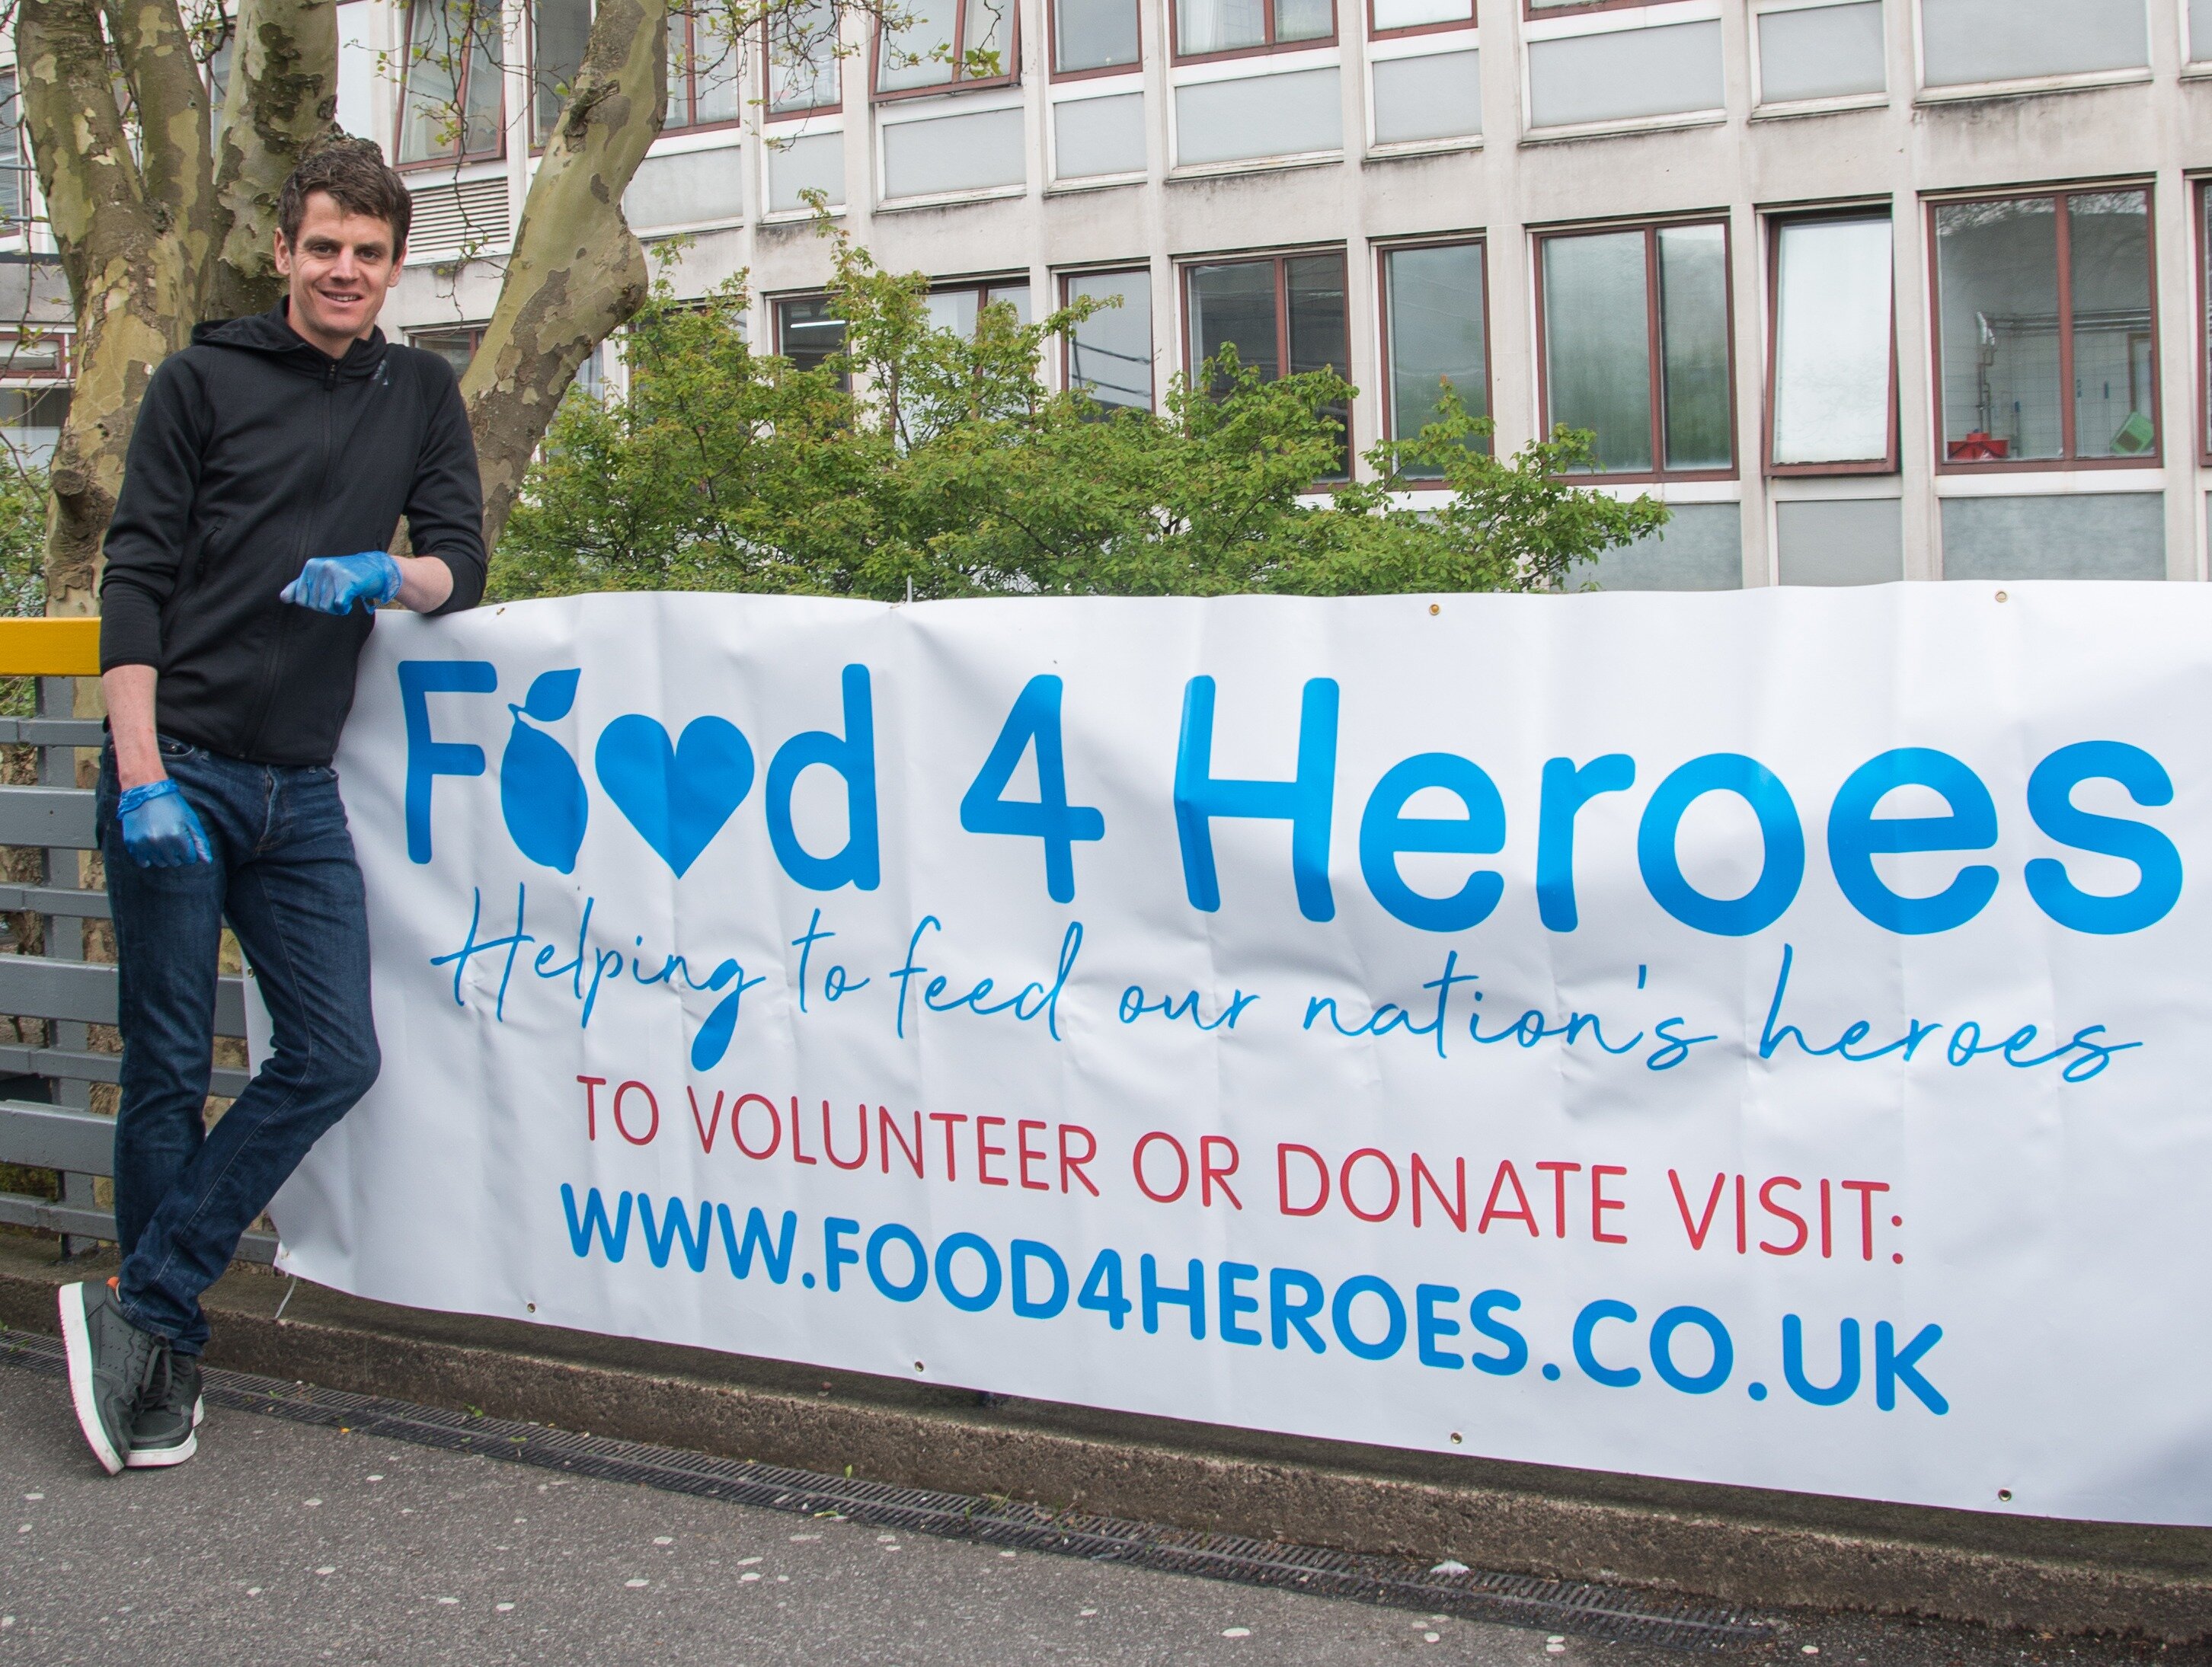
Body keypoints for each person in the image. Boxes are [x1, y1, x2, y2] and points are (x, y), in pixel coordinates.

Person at [56, 139, 487, 1474]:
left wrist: (387, 573)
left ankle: (141, 1300)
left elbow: (461, 562)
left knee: (336, 1052)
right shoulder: (203, 377)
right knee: (168, 1072)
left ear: (395, 264)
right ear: (287, 254)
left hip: (300, 788)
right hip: (176, 764)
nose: (344, 270)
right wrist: (138, 780)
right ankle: (162, 1368)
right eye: (323, 248)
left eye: (368, 252)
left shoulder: (421, 390)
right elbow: (133, 575)